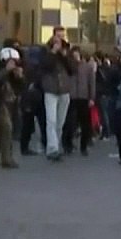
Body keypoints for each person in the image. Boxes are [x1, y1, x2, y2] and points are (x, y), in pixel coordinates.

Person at [38, 27, 77, 161]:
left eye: (63, 36)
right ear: (53, 37)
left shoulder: (67, 51)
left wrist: (65, 55)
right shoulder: (45, 50)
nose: (61, 39)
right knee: (51, 120)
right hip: (51, 89)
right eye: (58, 36)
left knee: (60, 122)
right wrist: (54, 52)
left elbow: (73, 69)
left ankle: (55, 145)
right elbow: (44, 66)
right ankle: (52, 149)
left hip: (64, 90)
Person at [61, 47, 97, 156]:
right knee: (69, 123)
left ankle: (84, 146)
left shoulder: (87, 67)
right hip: (71, 97)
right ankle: (67, 144)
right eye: (74, 55)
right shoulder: (68, 67)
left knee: (86, 123)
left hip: (83, 97)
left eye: (77, 55)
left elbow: (92, 82)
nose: (76, 57)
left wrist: (91, 97)